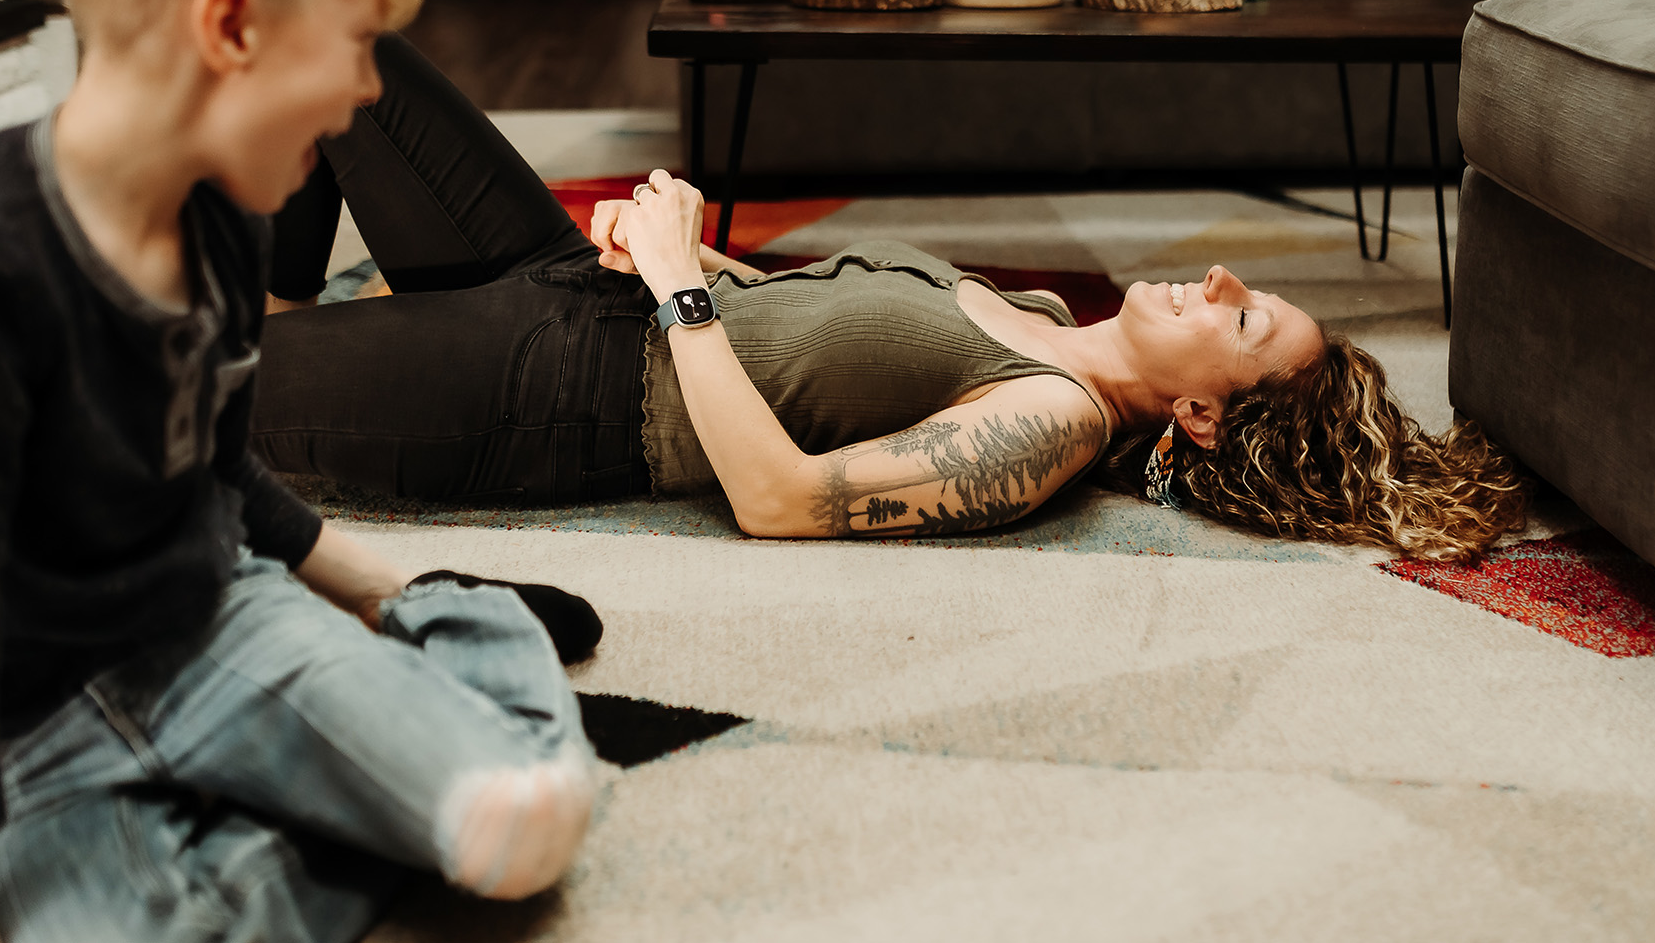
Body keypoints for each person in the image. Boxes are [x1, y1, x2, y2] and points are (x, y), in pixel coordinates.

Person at [0, 0, 599, 943]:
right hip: (24, 724)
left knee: (527, 818)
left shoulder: (222, 217)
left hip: (210, 623)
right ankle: (274, 821)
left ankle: (459, 622)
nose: (365, 90)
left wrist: (378, 588)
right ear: (231, 28)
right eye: (356, 47)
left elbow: (213, 472)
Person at [254, 38, 1528, 561]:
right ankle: (273, 290)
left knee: (170, 373)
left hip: (559, 399)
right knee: (332, 55)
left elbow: (780, 499)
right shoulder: (1031, 305)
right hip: (576, 288)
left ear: (1198, 417)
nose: (1222, 279)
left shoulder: (1051, 424)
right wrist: (668, 247)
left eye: (1241, 321)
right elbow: (804, 346)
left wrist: (686, 286)